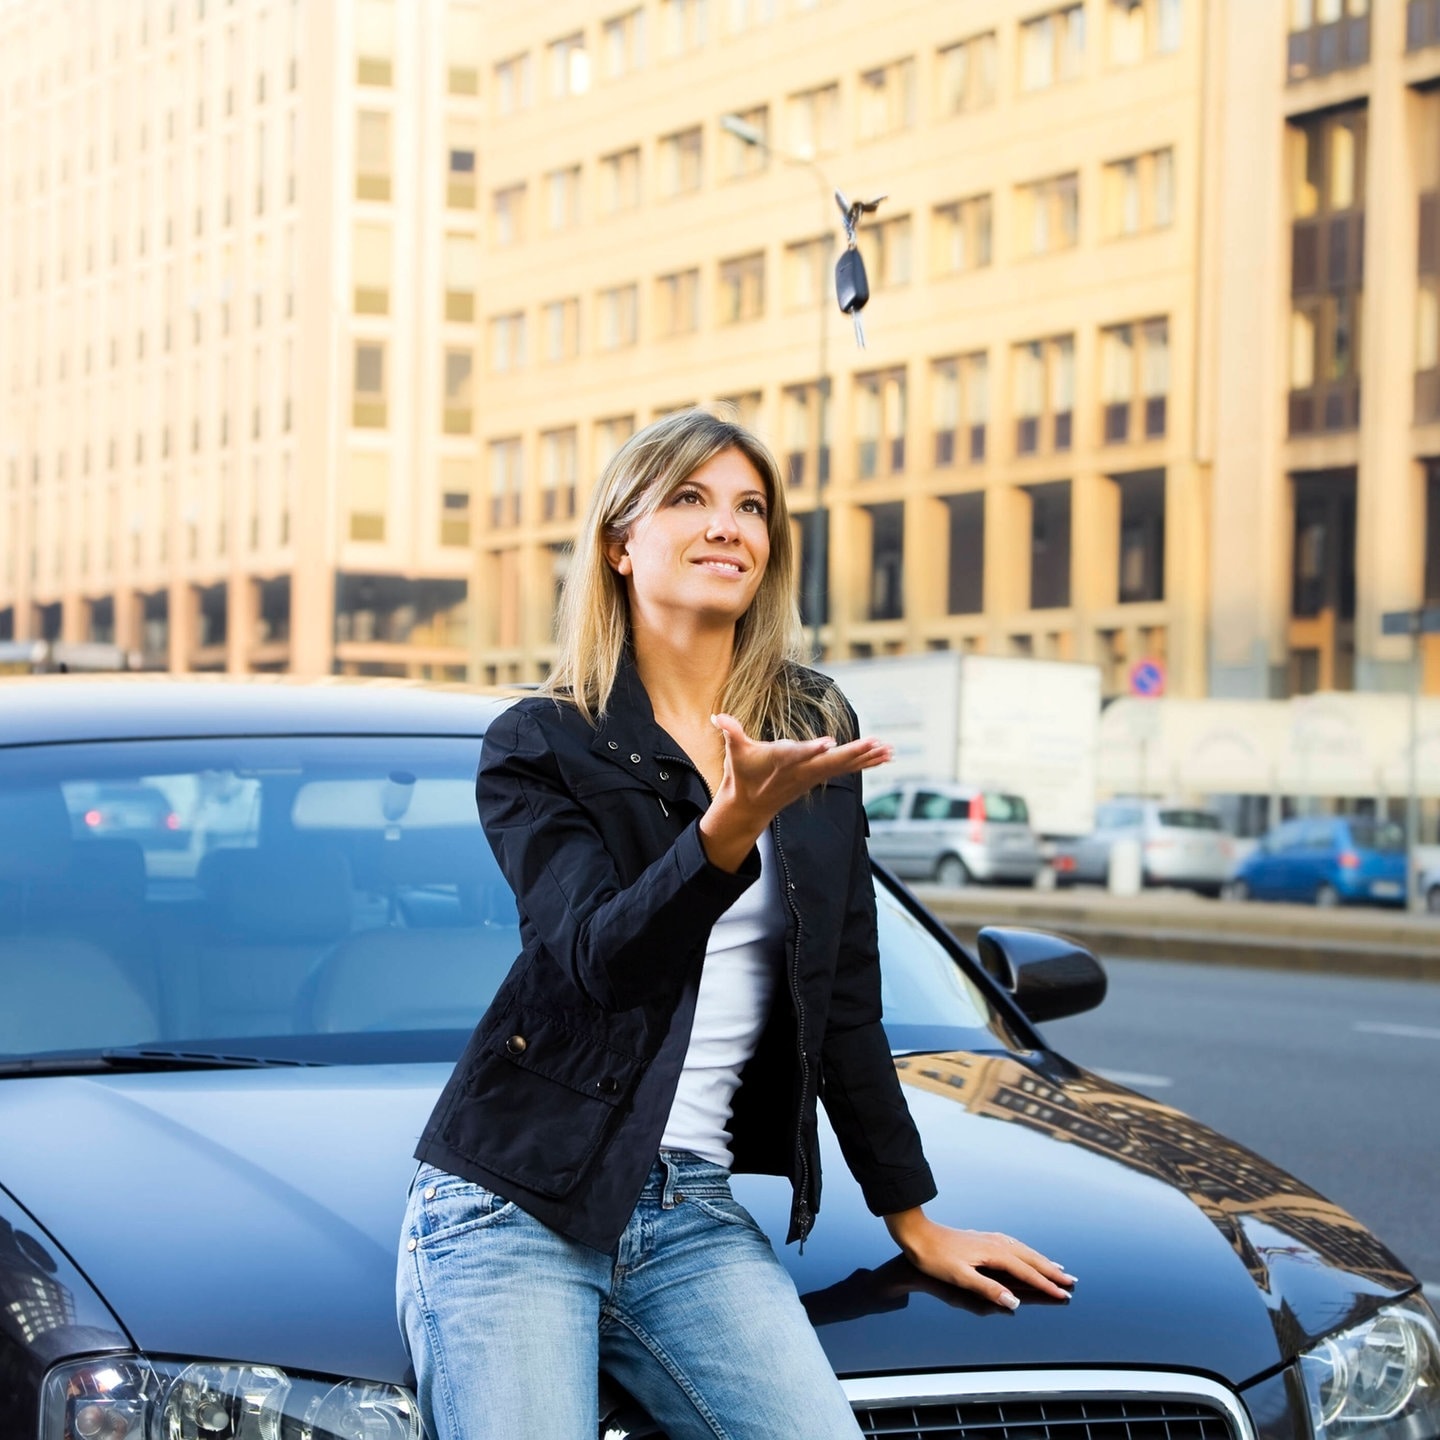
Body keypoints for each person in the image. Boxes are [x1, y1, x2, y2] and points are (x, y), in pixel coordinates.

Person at [397, 409, 1074, 1440]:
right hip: (515, 1204)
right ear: (621, 544)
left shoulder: (809, 726)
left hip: (689, 1212)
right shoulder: (541, 743)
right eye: (690, 499)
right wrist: (724, 833)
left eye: (750, 507)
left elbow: (844, 992)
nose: (729, 527)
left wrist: (914, 1218)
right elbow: (595, 962)